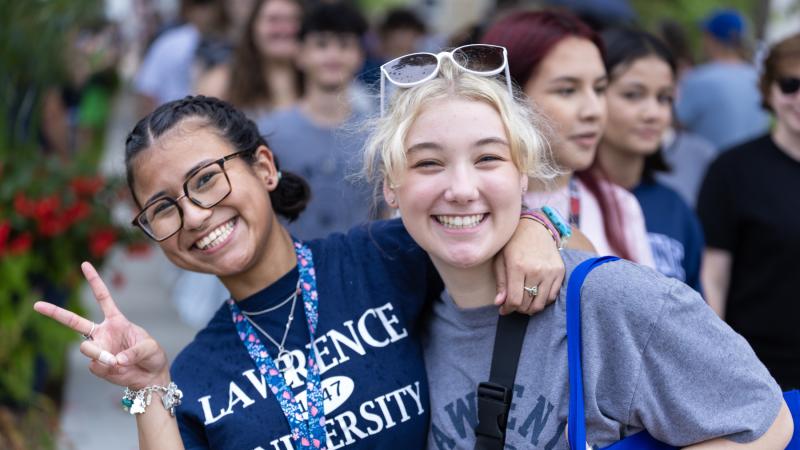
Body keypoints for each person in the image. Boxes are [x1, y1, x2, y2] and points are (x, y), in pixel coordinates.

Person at [32, 95, 570, 449]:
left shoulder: (382, 258)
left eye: (204, 181)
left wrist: (531, 225)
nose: (194, 215)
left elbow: (471, 218)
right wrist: (149, 387)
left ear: (264, 168)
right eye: (165, 207)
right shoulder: (196, 375)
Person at [365, 45, 793, 450]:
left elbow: (762, 420)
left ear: (523, 175)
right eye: (427, 163)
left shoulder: (609, 299)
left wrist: (541, 223)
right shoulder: (407, 314)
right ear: (391, 186)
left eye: (488, 158)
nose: (461, 189)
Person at [481, 10, 655, 267]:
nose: (594, 110)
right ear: (507, 97)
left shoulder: (621, 205)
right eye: (567, 90)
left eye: (599, 89)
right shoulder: (467, 206)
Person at [698, 32, 800, 390]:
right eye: (790, 84)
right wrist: (715, 366)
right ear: (769, 90)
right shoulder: (732, 170)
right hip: (759, 375)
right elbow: (713, 277)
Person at [596, 28, 704, 292]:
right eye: (633, 95)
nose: (653, 113)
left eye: (664, 98)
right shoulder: (561, 199)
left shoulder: (675, 208)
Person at [258, 2, 374, 240]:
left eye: (344, 45)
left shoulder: (377, 133)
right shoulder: (270, 132)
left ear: (359, 56)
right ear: (299, 54)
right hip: (292, 267)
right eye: (321, 44)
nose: (333, 55)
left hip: (362, 266)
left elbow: (384, 210)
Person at [675, 9, 770, 152]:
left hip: (709, 168)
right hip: (753, 167)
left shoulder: (699, 78)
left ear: (711, 38)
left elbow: (674, 124)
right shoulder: (759, 78)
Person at [197, 0, 304, 119]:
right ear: (253, 27)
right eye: (273, 19)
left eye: (293, 20)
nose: (284, 28)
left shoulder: (320, 80)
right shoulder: (221, 83)